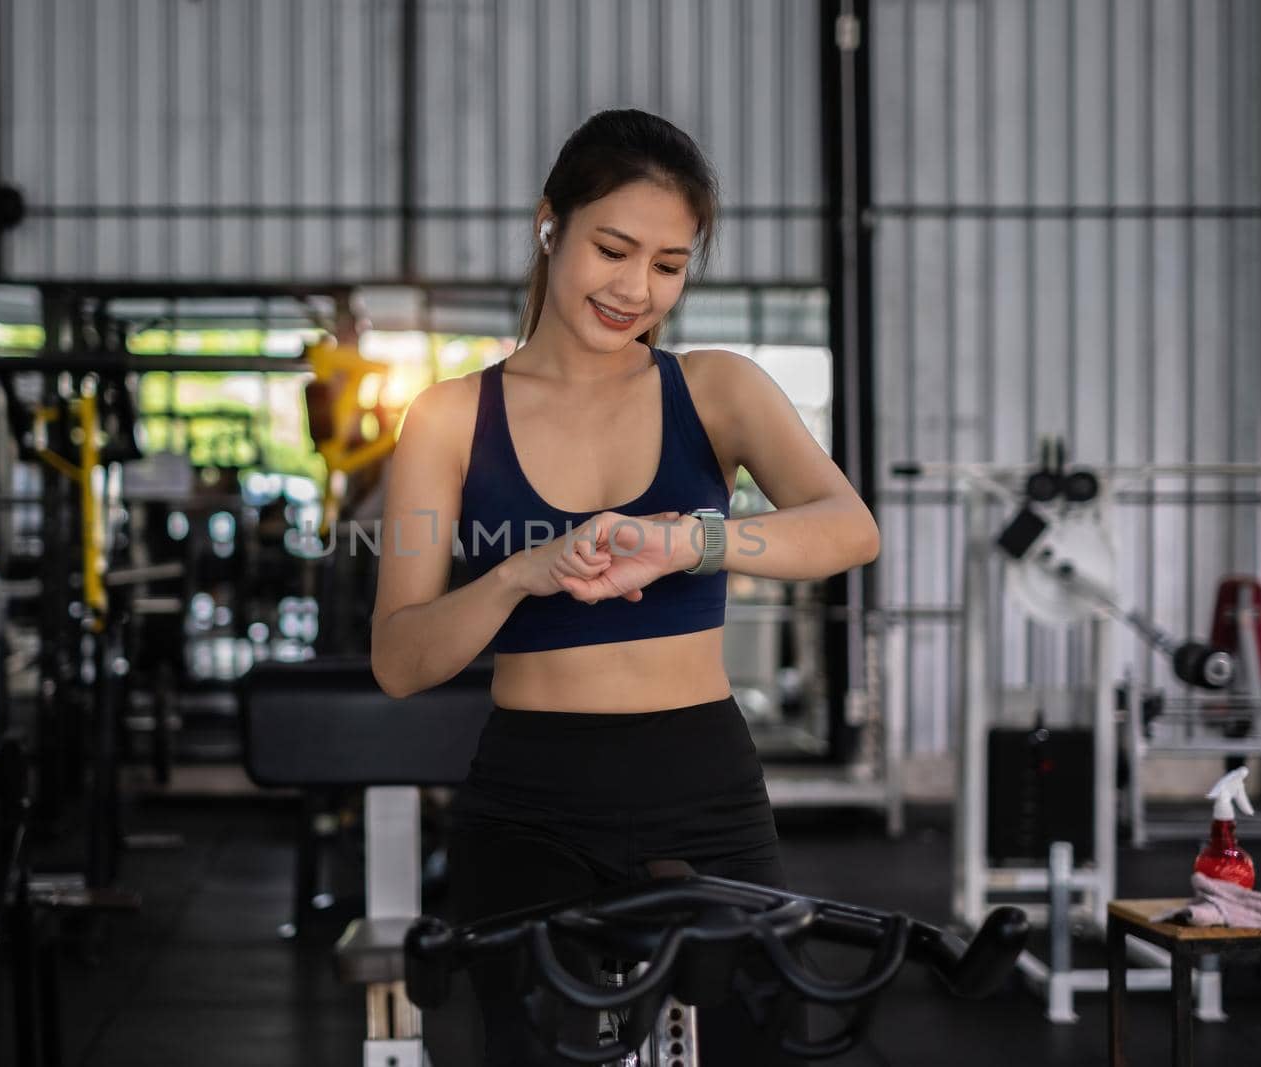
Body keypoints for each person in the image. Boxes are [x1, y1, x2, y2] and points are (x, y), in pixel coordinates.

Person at [371, 108, 880, 1065]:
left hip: (704, 783)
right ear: (549, 222)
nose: (636, 288)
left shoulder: (717, 387)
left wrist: (691, 542)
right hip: (530, 796)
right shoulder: (446, 420)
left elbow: (847, 528)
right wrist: (521, 572)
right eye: (613, 248)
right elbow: (399, 659)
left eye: (669, 265)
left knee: (757, 1046)